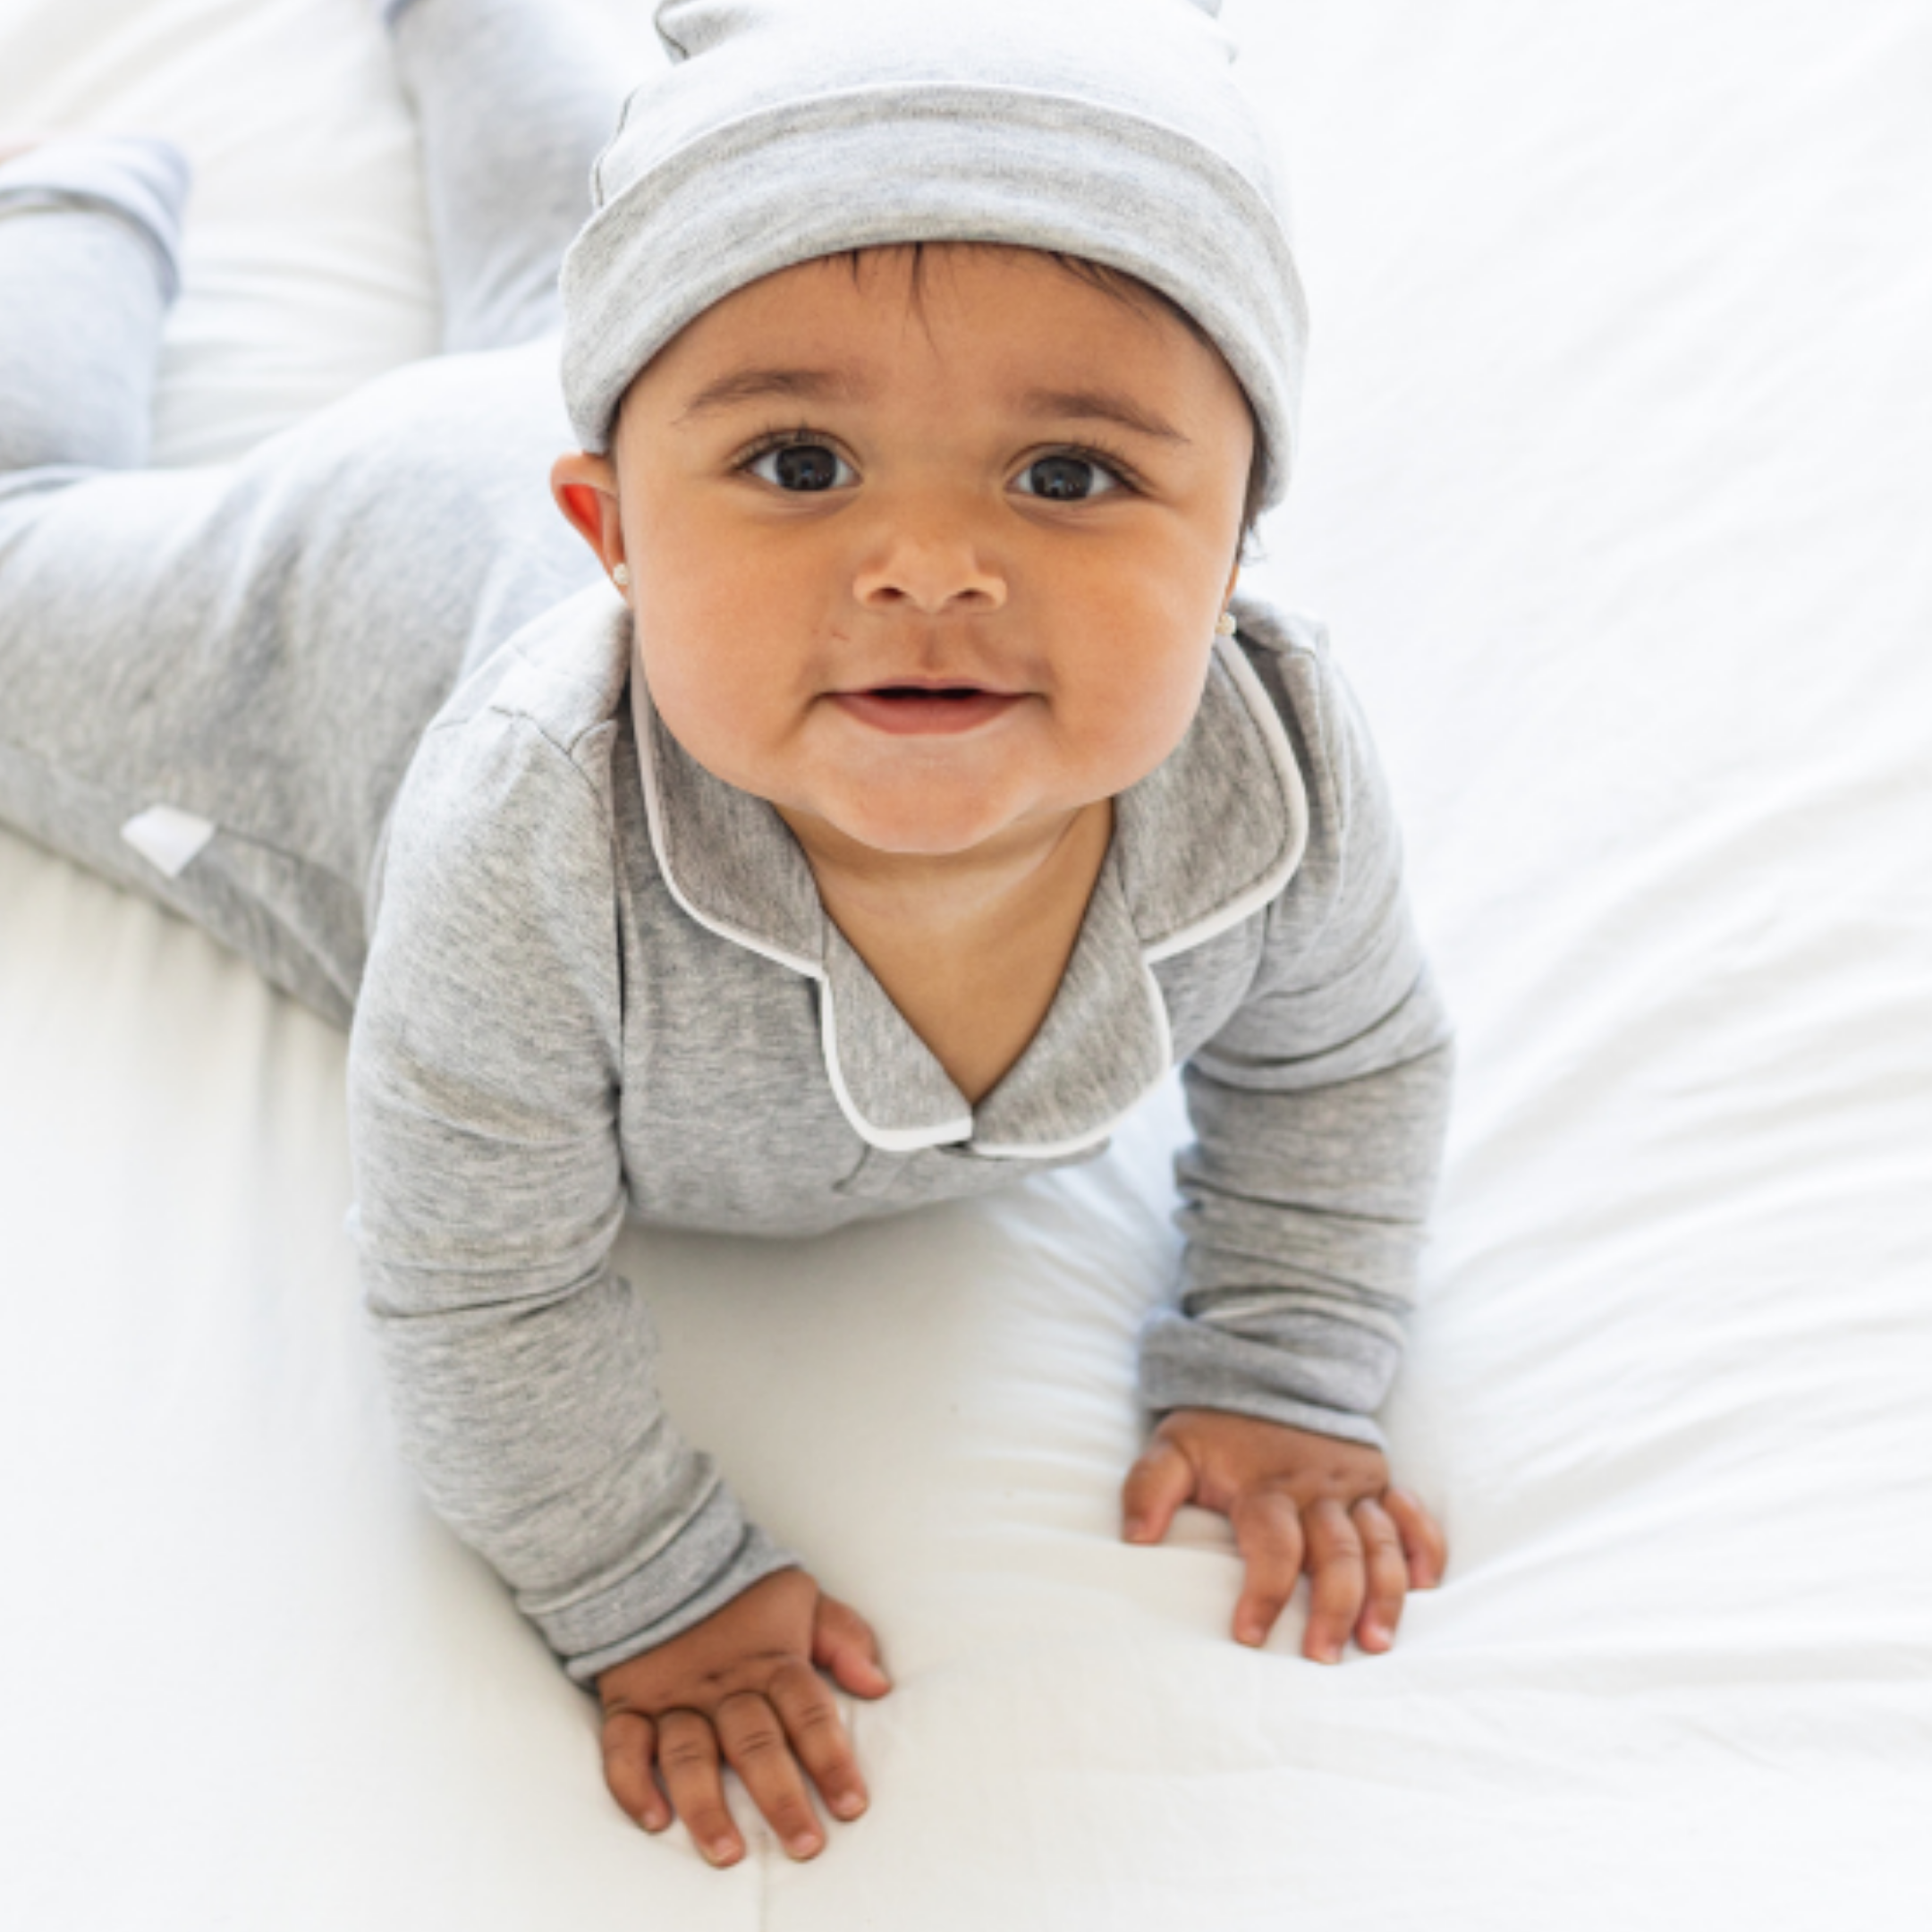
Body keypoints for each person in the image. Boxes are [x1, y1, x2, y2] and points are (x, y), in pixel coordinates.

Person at [0, 0, 1453, 1870]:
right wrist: (647, 1579)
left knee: (567, 298)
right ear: (609, 534)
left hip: (607, 443)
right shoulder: (535, 839)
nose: (929, 567)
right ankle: (66, 215)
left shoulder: (1279, 781)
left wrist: (1280, 1356)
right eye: (802, 467)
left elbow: (1349, 1064)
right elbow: (476, 1284)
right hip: (358, 584)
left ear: (1240, 536)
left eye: (1069, 475)